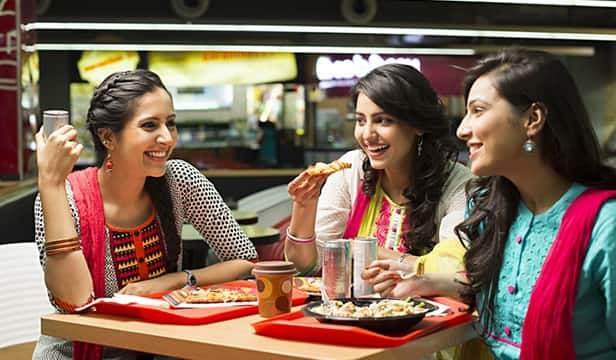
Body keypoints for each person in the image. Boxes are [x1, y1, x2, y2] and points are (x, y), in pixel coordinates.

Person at [365, 48, 616, 359]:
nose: (462, 129)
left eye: (478, 111)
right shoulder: (491, 212)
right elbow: (497, 287)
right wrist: (423, 283)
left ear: (532, 119)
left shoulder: (611, 225)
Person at [32, 69, 258, 360]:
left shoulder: (182, 180)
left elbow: (245, 260)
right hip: (78, 352)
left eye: (171, 123)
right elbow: (74, 303)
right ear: (107, 137)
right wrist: (51, 185)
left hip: (160, 346)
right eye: (150, 125)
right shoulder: (63, 197)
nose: (166, 138)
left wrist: (175, 280)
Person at [285, 63, 472, 276]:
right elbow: (305, 267)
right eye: (360, 121)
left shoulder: (458, 184)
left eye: (383, 121)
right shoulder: (350, 170)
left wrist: (367, 251)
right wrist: (303, 207)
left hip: (428, 309)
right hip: (351, 309)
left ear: (418, 124)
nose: (367, 134)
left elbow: (454, 270)